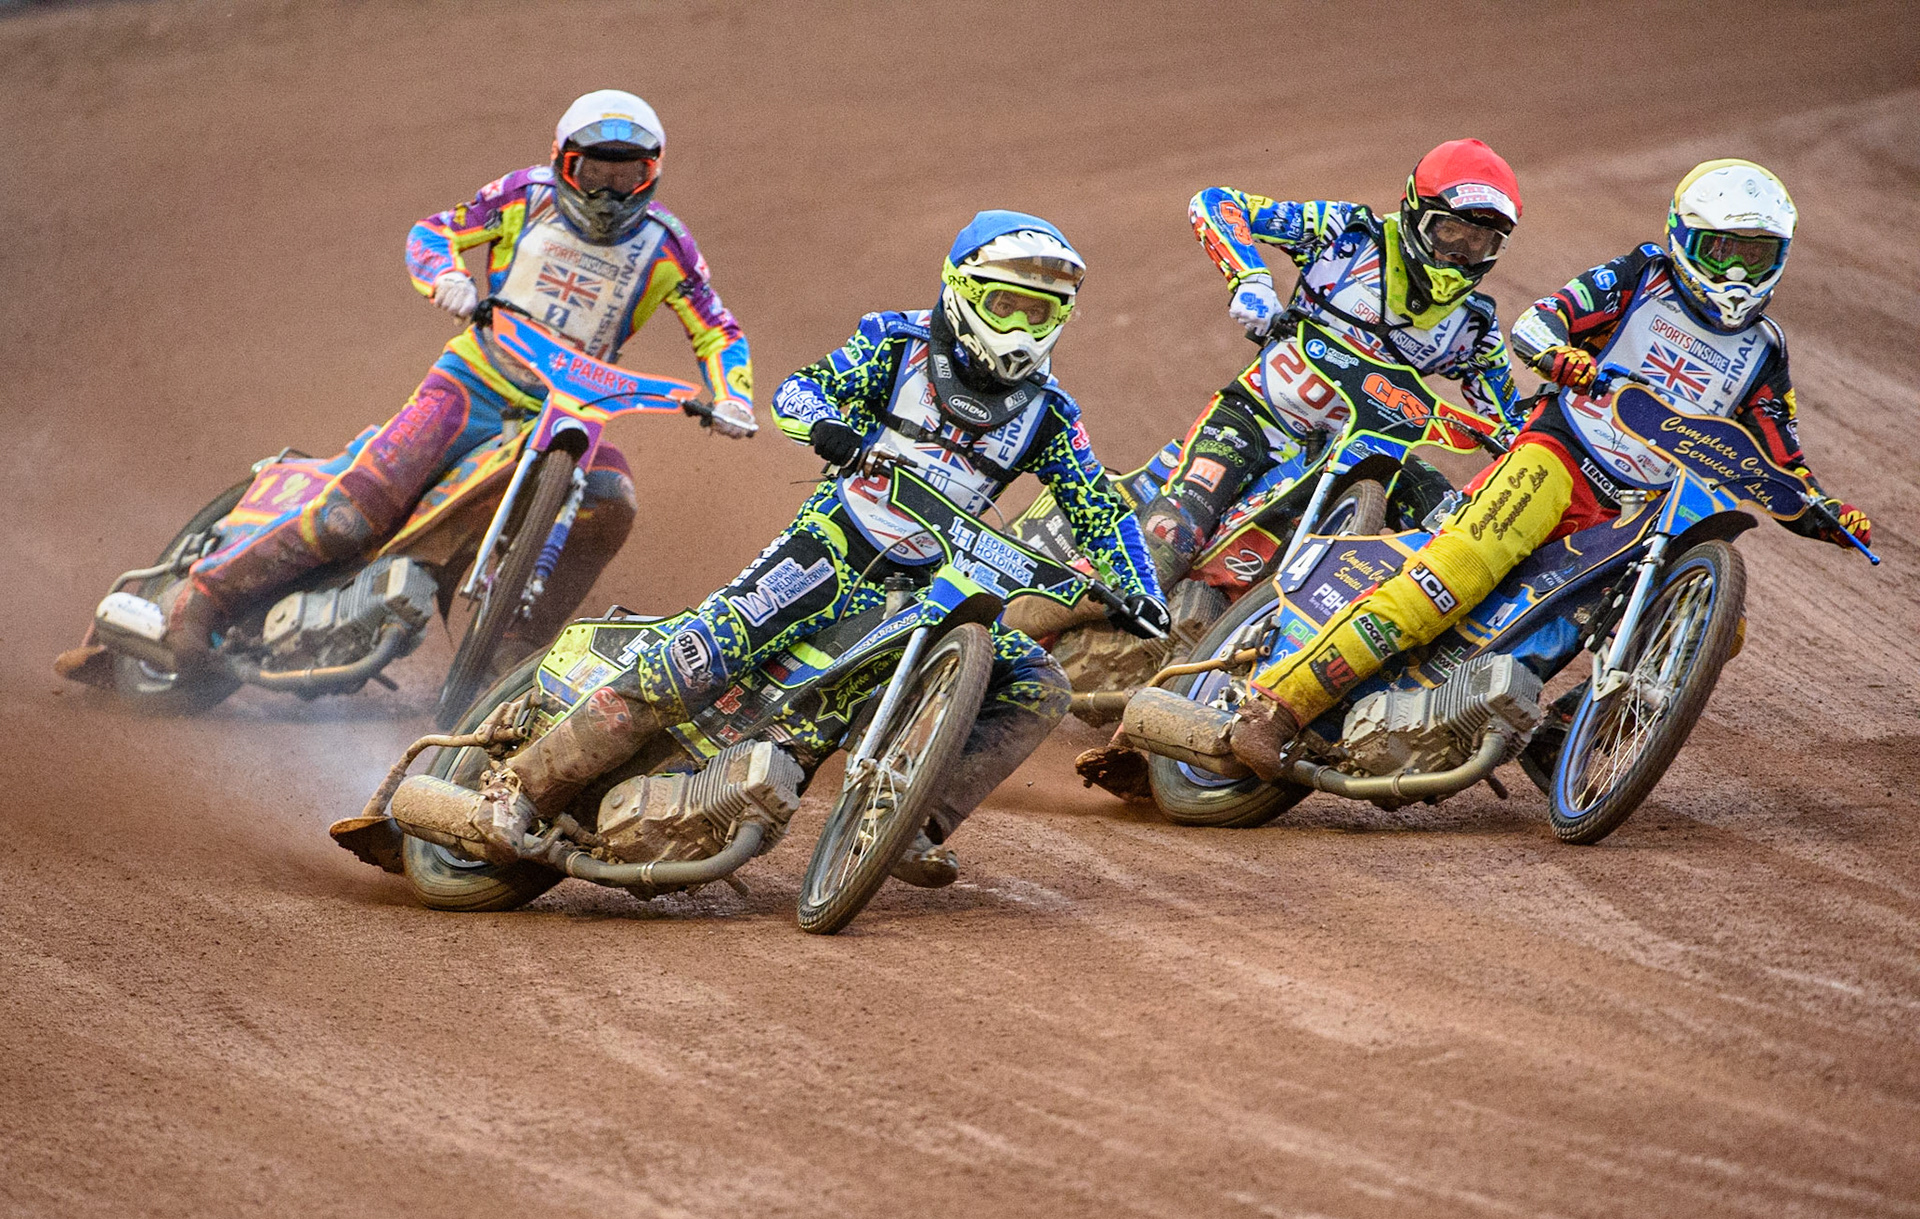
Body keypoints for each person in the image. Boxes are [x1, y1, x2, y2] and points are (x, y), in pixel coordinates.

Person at [469, 211, 1169, 887]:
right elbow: (799, 391)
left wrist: (1141, 590)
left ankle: (907, 823)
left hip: (929, 587)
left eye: (1041, 313)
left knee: (1036, 683)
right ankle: (518, 788)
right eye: (1008, 305)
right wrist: (827, 427)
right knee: (695, 663)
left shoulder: (1051, 415)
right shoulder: (898, 346)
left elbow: (1102, 511)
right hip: (830, 549)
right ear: (962, 291)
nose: (1021, 329)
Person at [1214, 159, 1873, 778]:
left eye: (1752, 255)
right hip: (1559, 453)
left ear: (1777, 258)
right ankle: (1277, 704)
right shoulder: (1641, 275)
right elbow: (1538, 322)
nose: (1734, 272)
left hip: (1637, 508)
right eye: (1720, 250)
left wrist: (1827, 512)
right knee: (1457, 574)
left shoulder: (1764, 349)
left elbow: (1781, 458)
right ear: (1682, 237)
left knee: (1715, 623)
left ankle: (1566, 727)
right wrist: (1560, 356)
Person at [162, 90, 757, 671]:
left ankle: (516, 650)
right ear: (562, 162)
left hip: (573, 410)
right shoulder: (523, 196)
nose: (608, 191)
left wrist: (734, 397)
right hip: (473, 382)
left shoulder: (669, 245)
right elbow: (433, 231)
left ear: (652, 174)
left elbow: (718, 331)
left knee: (611, 500)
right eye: (593, 171)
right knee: (357, 511)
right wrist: (445, 275)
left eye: (627, 176)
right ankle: (207, 595)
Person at [1133, 138, 1529, 585]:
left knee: (1452, 526)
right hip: (1260, 418)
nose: (1458, 255)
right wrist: (1251, 279)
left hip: (1369, 449)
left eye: (1479, 243)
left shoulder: (1473, 326)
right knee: (1173, 536)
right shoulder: (1347, 235)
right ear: (1417, 214)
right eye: (1449, 232)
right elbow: (1217, 204)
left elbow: (1513, 426)